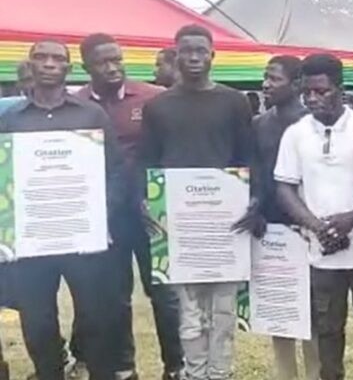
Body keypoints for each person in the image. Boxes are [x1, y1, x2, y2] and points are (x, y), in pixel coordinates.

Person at [3, 39, 125, 380]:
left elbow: (116, 170)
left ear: (68, 68)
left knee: (96, 318)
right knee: (38, 321)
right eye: (41, 57)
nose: (49, 64)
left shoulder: (91, 115)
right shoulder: (10, 120)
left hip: (83, 238)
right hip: (31, 241)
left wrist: (100, 214)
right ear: (30, 65)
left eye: (57, 59)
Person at [140, 24, 255, 380]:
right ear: (175, 55)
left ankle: (220, 372)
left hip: (226, 222)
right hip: (179, 222)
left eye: (200, 51)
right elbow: (147, 161)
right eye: (186, 51)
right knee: (188, 311)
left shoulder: (234, 102)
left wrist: (254, 200)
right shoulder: (157, 106)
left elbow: (248, 157)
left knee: (223, 309)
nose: (193, 57)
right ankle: (193, 372)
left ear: (212, 55)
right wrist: (143, 200)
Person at [74, 33, 183, 380]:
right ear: (86, 67)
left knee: (164, 292)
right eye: (103, 62)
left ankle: (176, 366)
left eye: (117, 60)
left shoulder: (154, 98)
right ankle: (123, 367)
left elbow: (171, 149)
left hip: (151, 213)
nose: (112, 68)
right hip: (105, 217)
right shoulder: (76, 105)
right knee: (113, 296)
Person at [276, 54, 353, 380]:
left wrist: (352, 218)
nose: (313, 99)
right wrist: (316, 226)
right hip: (321, 252)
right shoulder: (295, 134)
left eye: (321, 91)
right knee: (327, 328)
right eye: (307, 92)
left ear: (340, 89)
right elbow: (284, 187)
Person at [231, 55, 321, 380]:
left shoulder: (313, 124)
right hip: (269, 230)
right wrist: (253, 208)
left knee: (311, 313)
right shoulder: (258, 124)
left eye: (274, 79)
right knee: (279, 312)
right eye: (265, 77)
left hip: (307, 229)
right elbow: (252, 173)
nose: (266, 85)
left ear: (296, 84)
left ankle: (315, 373)